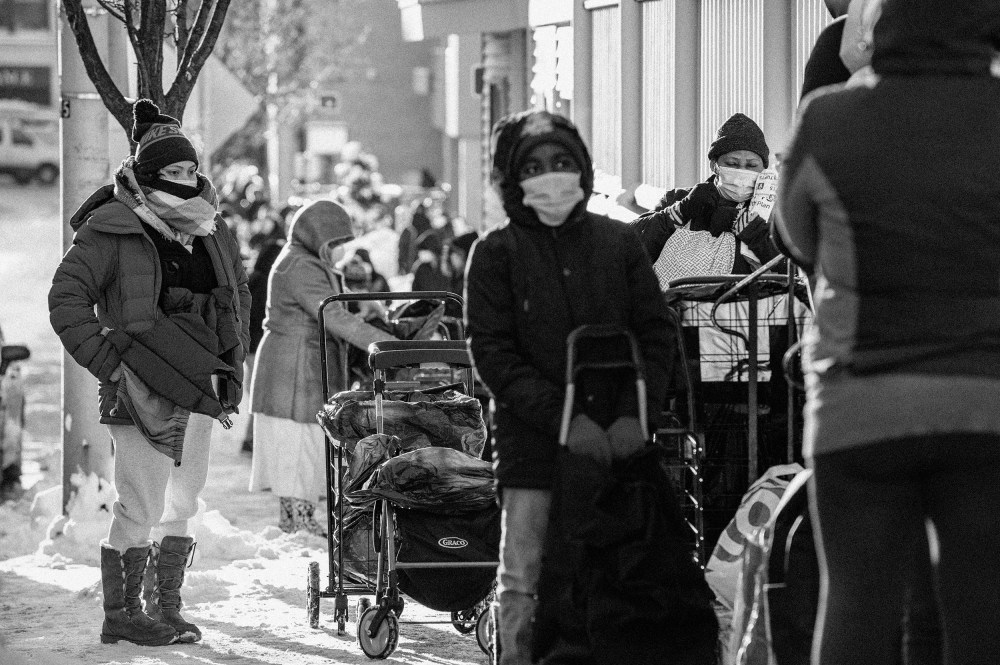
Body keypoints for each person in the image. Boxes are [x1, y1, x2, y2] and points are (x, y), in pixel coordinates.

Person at [775, 1, 1000, 663]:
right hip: (985, 404)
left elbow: (795, 237)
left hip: (860, 405)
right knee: (983, 610)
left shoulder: (828, 118)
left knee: (856, 603)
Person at [465, 110, 685, 664]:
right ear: (512, 179)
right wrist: (567, 418)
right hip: (533, 452)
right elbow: (493, 355)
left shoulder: (619, 244)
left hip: (619, 448)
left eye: (562, 162)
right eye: (535, 166)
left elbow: (655, 335)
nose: (551, 175)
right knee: (524, 581)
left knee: (619, 580)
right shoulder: (494, 254)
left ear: (583, 167)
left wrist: (636, 415)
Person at [49, 99, 250, 646]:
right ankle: (123, 616)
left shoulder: (211, 227)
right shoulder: (112, 227)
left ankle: (166, 607)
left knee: (183, 503)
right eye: (177, 171)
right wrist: (109, 365)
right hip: (138, 387)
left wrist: (234, 361)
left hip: (200, 383)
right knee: (140, 504)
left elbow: (236, 297)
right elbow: (67, 300)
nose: (191, 179)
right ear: (147, 174)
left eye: (193, 169)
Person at [248, 200, 397, 536]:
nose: (338, 251)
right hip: (296, 367)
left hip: (300, 364)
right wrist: (385, 344)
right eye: (333, 243)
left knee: (302, 442)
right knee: (299, 443)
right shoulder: (300, 266)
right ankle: (299, 519)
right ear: (316, 238)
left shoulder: (304, 260)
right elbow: (334, 315)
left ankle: (296, 518)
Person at [632, 113, 780, 290]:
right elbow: (629, 247)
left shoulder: (773, 212)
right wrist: (679, 212)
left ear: (764, 168)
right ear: (714, 165)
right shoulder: (680, 199)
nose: (741, 172)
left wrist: (759, 237)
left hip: (740, 312)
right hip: (675, 313)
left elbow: (797, 269)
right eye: (732, 164)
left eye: (751, 165)